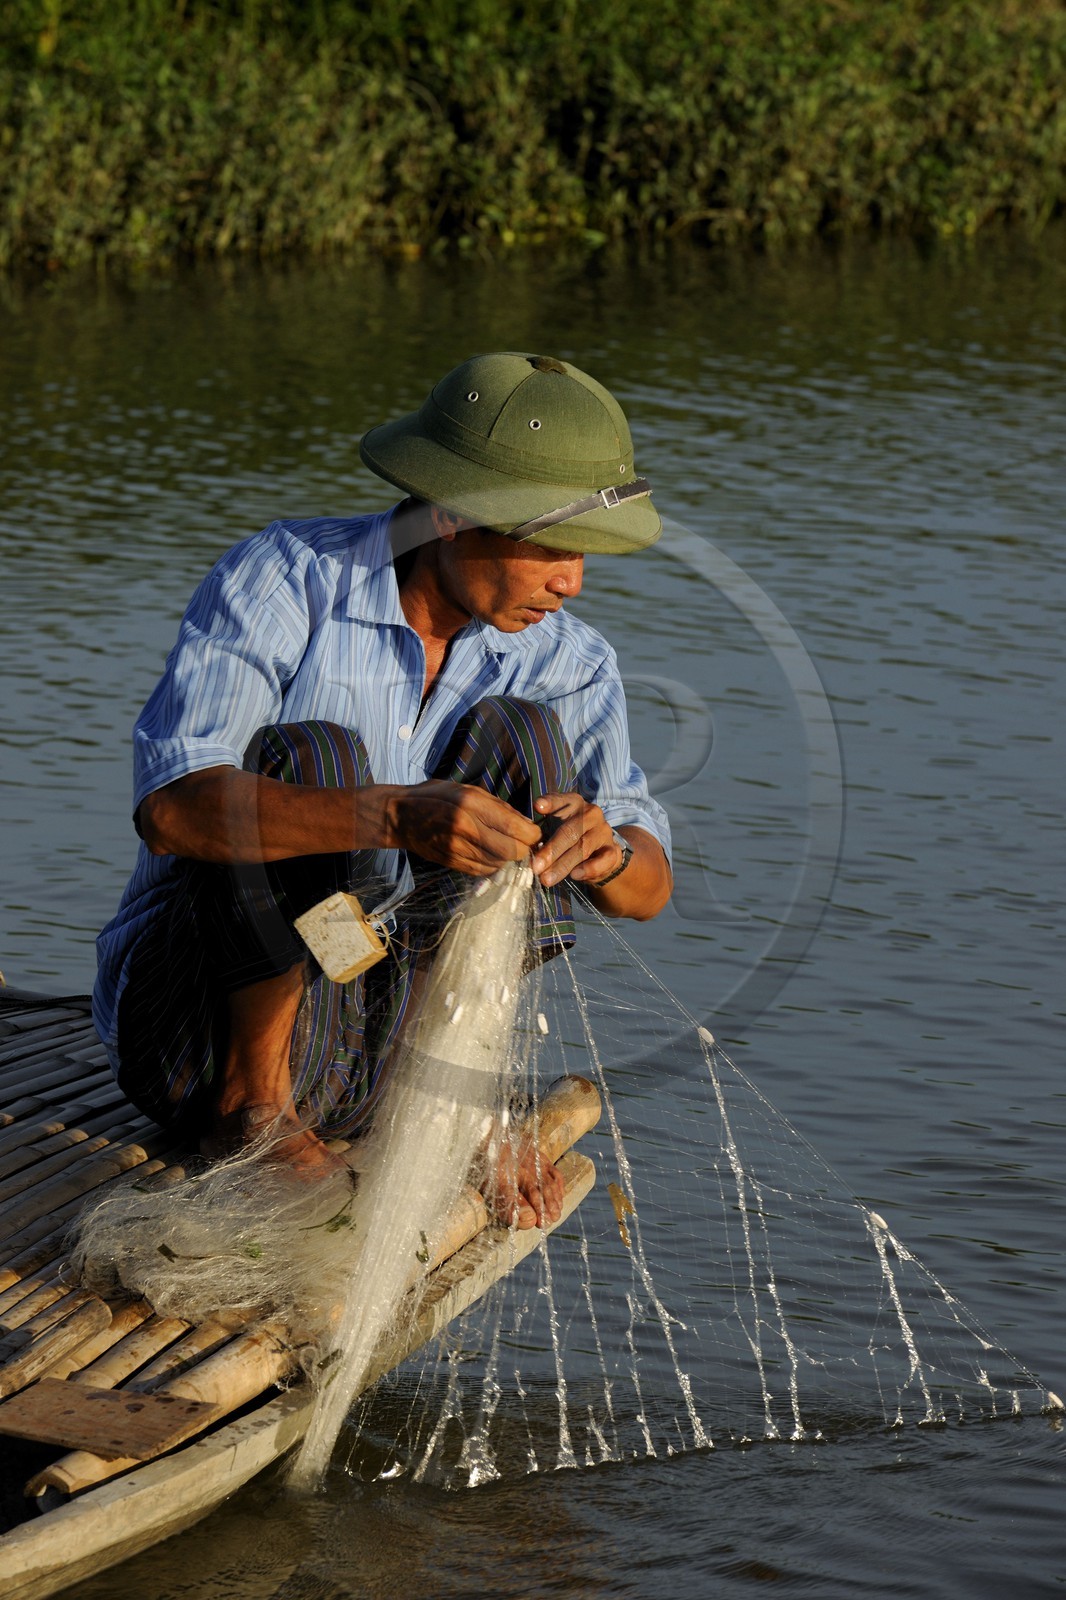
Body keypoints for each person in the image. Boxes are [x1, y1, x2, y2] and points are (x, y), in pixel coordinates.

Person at [93, 352, 672, 1227]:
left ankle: (459, 1105)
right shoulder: (287, 578)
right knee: (316, 757)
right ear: (448, 515)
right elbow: (173, 811)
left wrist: (608, 852)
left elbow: (648, 891)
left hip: (381, 1032)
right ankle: (254, 1109)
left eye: (584, 552)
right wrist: (394, 814)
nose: (572, 581)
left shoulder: (569, 660)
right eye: (547, 546)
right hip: (200, 1031)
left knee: (525, 741)